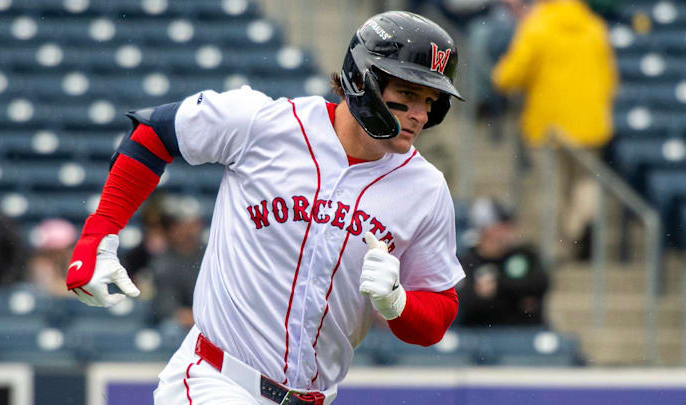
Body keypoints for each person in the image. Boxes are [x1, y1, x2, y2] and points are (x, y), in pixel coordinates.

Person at [64, 11, 464, 405]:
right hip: (216, 380)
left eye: (430, 100)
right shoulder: (266, 123)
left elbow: (438, 314)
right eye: (408, 94)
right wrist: (99, 233)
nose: (420, 114)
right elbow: (155, 132)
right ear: (363, 79)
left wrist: (398, 303)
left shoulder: (426, 189)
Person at [491, 0, 618, 258]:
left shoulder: (538, 26)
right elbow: (610, 77)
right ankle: (581, 225)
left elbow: (511, 74)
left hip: (549, 125)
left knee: (552, 187)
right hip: (590, 123)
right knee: (585, 182)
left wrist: (500, 77)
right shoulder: (594, 27)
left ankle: (556, 248)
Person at [456, 197, 549, 326]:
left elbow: (540, 284)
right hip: (480, 335)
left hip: (523, 332)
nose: (508, 231)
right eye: (502, 226)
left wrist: (497, 286)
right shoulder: (467, 261)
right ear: (485, 230)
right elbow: (463, 300)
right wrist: (516, 296)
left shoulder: (523, 255)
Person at [150, 195, 205, 330]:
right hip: (180, 328)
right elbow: (168, 310)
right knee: (170, 328)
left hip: (209, 322)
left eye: (193, 224)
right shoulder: (164, 263)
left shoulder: (210, 255)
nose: (187, 231)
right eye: (182, 225)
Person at [27, 218, 77, 297]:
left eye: (54, 251)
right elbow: (48, 289)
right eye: (48, 251)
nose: (50, 254)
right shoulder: (40, 264)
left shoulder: (75, 261)